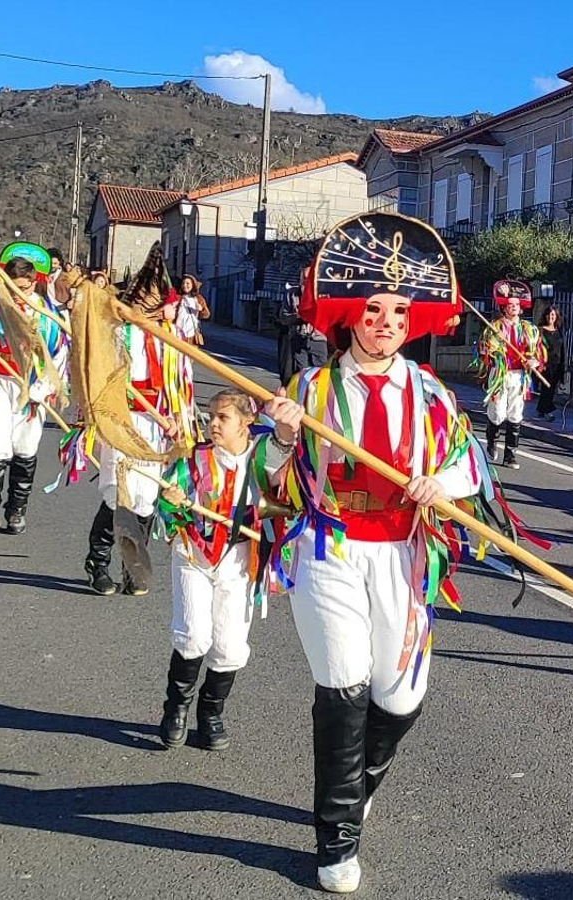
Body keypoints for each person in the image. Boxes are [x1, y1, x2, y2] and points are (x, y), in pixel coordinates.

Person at [262, 212, 487, 893]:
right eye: (372, 309)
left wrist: (439, 481)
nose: (385, 320)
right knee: (344, 683)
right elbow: (271, 482)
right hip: (329, 549)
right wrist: (279, 438)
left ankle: (358, 784)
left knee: (401, 695)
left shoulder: (433, 395)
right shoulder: (309, 392)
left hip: (402, 556)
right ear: (350, 318)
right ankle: (336, 839)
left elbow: (470, 465)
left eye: (397, 310)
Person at [155, 389, 278, 751]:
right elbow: (166, 506)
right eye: (211, 417)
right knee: (193, 635)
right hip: (194, 553)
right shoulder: (194, 459)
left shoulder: (263, 461)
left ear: (246, 423)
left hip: (240, 561)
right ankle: (175, 709)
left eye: (223, 417)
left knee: (229, 647)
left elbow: (285, 505)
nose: (213, 424)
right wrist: (172, 500)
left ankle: (210, 712)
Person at [83, 246, 198, 596]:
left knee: (147, 498)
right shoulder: (117, 335)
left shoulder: (170, 340)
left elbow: (179, 384)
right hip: (121, 421)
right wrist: (155, 415)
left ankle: (133, 566)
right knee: (119, 495)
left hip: (157, 427)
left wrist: (179, 419)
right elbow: (110, 385)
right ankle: (97, 563)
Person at [0, 257, 68, 537]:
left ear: (34, 282)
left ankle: (16, 510)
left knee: (26, 447)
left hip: (34, 388)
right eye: (13, 287)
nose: (18, 292)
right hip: (1, 382)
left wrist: (44, 387)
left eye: (23, 286)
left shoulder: (47, 312)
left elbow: (59, 355)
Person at [476, 279, 546, 469]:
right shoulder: (495, 328)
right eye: (510, 305)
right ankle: (492, 440)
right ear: (504, 307)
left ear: (521, 307)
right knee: (497, 412)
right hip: (500, 375)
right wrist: (491, 351)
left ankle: (510, 454)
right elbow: (483, 351)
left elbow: (538, 353)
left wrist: (534, 361)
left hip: (519, 376)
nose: (513, 307)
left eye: (516, 305)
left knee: (515, 413)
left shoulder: (529, 330)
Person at [535, 305, 567, 420]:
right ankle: (548, 411)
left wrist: (563, 364)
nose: (551, 317)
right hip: (544, 365)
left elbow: (562, 348)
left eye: (553, 314)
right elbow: (536, 347)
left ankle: (541, 409)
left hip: (557, 364)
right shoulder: (541, 330)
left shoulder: (559, 330)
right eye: (549, 314)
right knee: (546, 387)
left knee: (551, 388)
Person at [175, 273, 211, 345]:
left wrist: (201, 310)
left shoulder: (198, 298)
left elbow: (207, 315)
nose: (185, 285)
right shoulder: (178, 297)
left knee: (190, 354)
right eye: (183, 283)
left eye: (188, 283)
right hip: (178, 331)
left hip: (192, 333)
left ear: (193, 285)